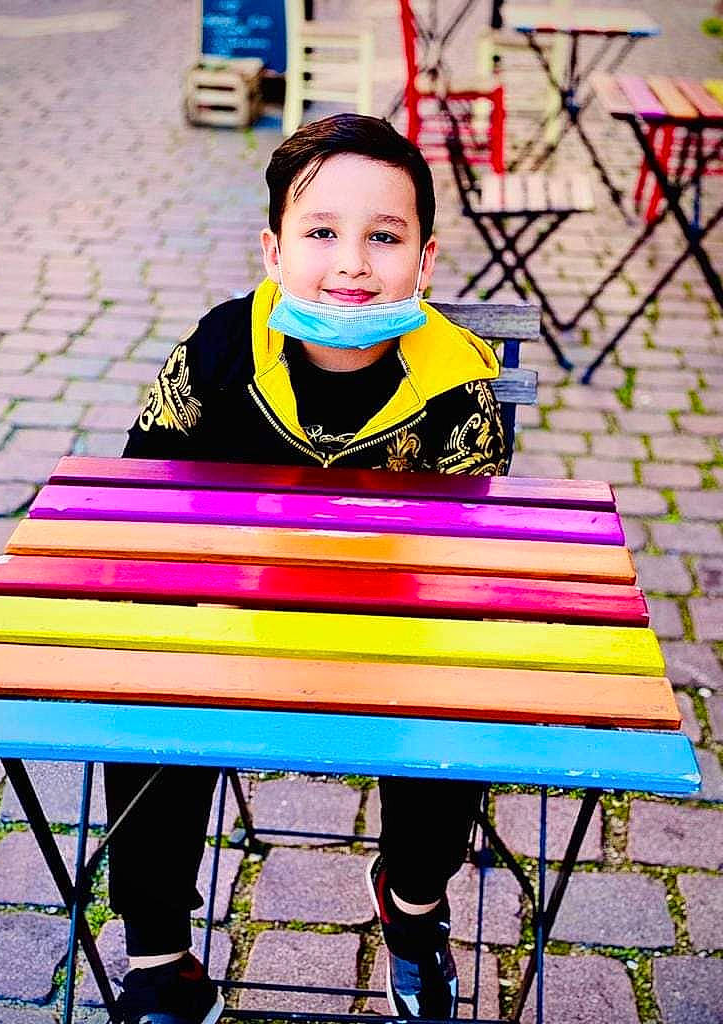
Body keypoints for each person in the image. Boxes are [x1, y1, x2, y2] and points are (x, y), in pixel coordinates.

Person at [107, 112, 510, 1024]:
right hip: (232, 620)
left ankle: (411, 908)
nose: (353, 263)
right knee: (144, 687)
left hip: (393, 631)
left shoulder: (455, 386)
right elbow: (140, 493)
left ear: (427, 259)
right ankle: (161, 955)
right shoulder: (218, 353)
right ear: (274, 250)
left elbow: (470, 549)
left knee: (454, 702)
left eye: (384, 236)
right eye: (321, 232)